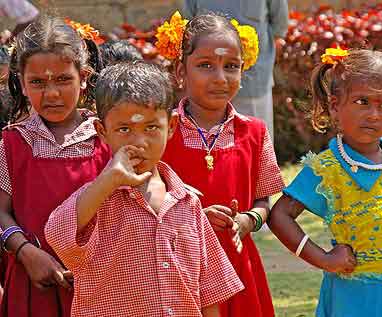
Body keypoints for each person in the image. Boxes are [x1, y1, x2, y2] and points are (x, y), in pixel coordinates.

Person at [44, 61, 244, 317]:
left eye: (151, 127)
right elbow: (56, 233)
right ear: (102, 131)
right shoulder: (97, 200)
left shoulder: (188, 204)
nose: (139, 142)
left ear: (171, 126)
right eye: (124, 129)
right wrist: (107, 182)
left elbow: (209, 294)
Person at [268, 48, 382, 317]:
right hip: (354, 297)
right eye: (363, 102)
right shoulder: (328, 168)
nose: (374, 114)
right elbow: (280, 216)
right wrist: (324, 259)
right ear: (336, 105)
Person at [158, 12, 285, 317]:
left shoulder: (254, 132)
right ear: (180, 72)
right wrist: (192, 217)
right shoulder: (161, 132)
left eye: (231, 67)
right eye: (205, 66)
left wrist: (249, 220)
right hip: (178, 268)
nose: (220, 78)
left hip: (238, 266)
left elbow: (263, 201)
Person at [0, 15, 110, 317]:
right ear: (22, 84)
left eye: (63, 79)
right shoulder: (12, 143)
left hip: (101, 285)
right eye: (38, 82)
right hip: (32, 285)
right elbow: (1, 210)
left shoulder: (106, 137)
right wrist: (25, 252)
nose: (51, 93)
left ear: (84, 76)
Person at [182, 0, 288, 140]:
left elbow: (279, 28)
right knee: (208, 143)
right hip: (205, 84)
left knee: (255, 141)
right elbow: (188, 25)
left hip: (254, 76)